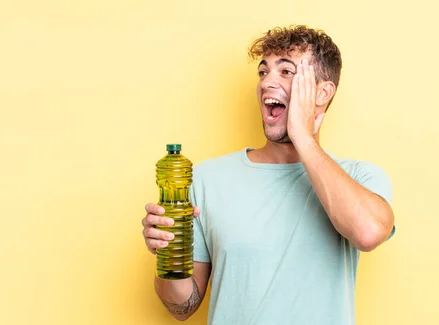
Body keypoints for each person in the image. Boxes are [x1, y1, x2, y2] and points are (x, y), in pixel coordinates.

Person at [141, 25, 396, 324]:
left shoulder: (359, 177)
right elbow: (182, 307)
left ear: (322, 92)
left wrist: (302, 135)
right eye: (263, 72)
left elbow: (368, 233)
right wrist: (167, 253)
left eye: (287, 72)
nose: (267, 83)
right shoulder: (206, 179)